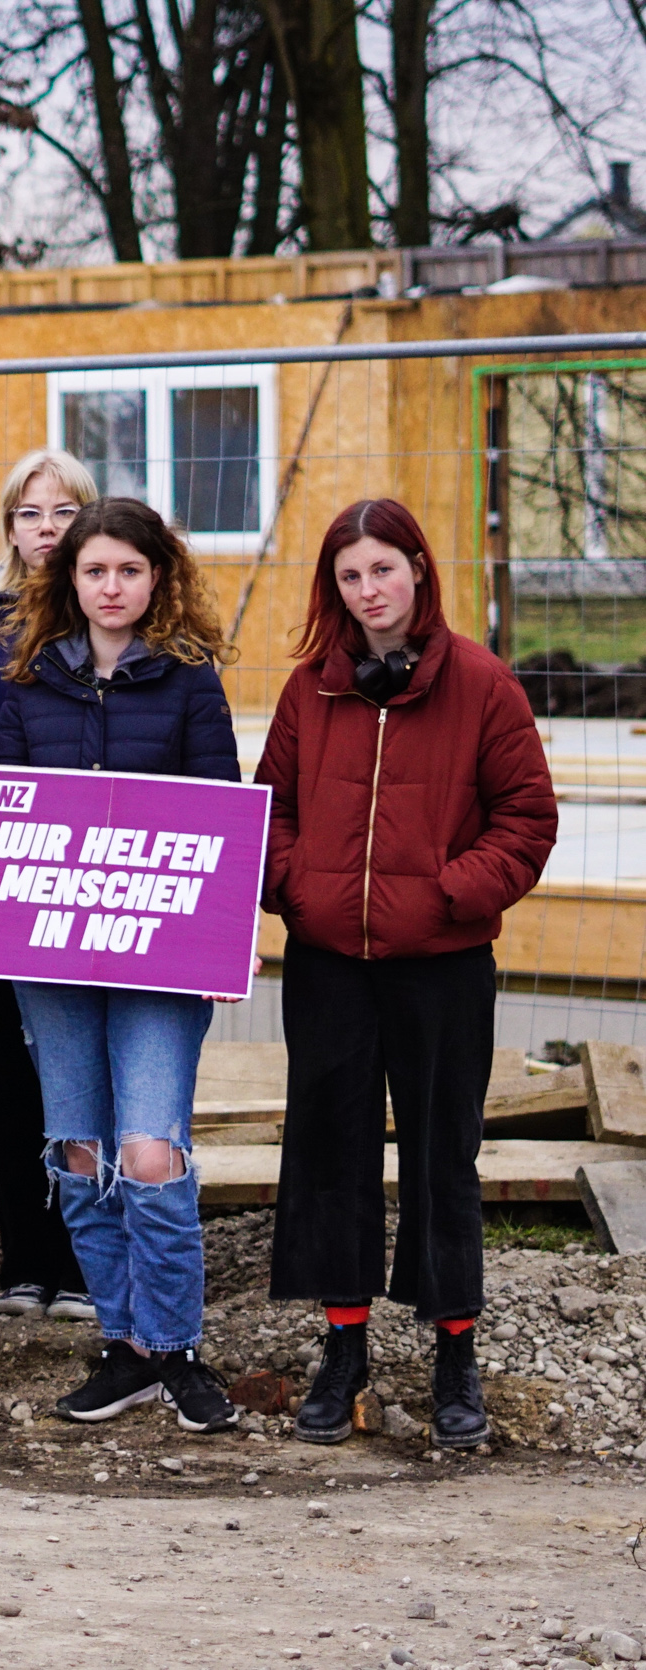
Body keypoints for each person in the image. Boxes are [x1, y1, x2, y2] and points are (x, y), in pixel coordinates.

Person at [260, 500, 556, 1450]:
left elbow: (526, 818)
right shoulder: (315, 688)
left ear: (419, 570)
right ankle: (343, 1347)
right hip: (329, 965)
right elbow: (268, 810)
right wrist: (298, 889)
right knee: (329, 1151)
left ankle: (453, 1350)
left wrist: (450, 895)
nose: (368, 591)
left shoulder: (481, 684)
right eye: (350, 576)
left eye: (383, 569)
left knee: (442, 1159)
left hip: (442, 966)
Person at [0, 496, 245, 1433]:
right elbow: (1, 821)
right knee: (81, 1154)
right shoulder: (27, 682)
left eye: (128, 571)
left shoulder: (189, 683)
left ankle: (174, 1348)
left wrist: (220, 935)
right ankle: (128, 1346)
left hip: (158, 959)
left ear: (157, 578)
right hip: (51, 962)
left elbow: (220, 815)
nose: (110, 587)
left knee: (148, 1152)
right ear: (70, 580)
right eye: (94, 571)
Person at [0, 448, 100, 1324]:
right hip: (3, 897)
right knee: (12, 1081)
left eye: (63, 512)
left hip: (92, 898)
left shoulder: (117, 617)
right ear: (9, 528)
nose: (46, 530)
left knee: (82, 1083)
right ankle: (25, 1260)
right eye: (29, 514)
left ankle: (84, 1260)